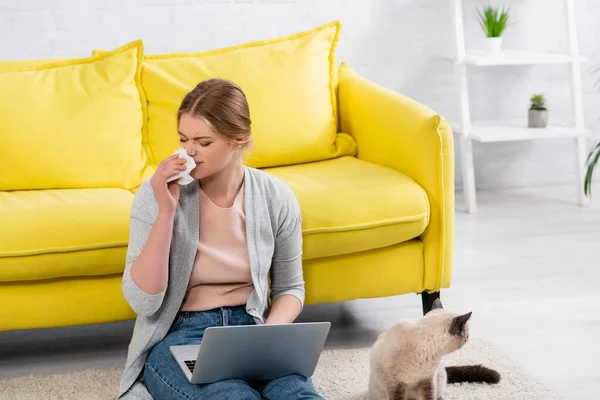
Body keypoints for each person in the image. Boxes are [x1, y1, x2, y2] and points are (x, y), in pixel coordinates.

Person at [117, 78, 323, 399]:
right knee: (232, 396)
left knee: (296, 392)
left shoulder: (276, 197)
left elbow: (290, 288)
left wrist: (268, 338)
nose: (189, 152)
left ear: (237, 140)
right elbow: (144, 301)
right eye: (183, 139)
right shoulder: (156, 193)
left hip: (250, 329)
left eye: (203, 142)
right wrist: (166, 212)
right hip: (181, 335)